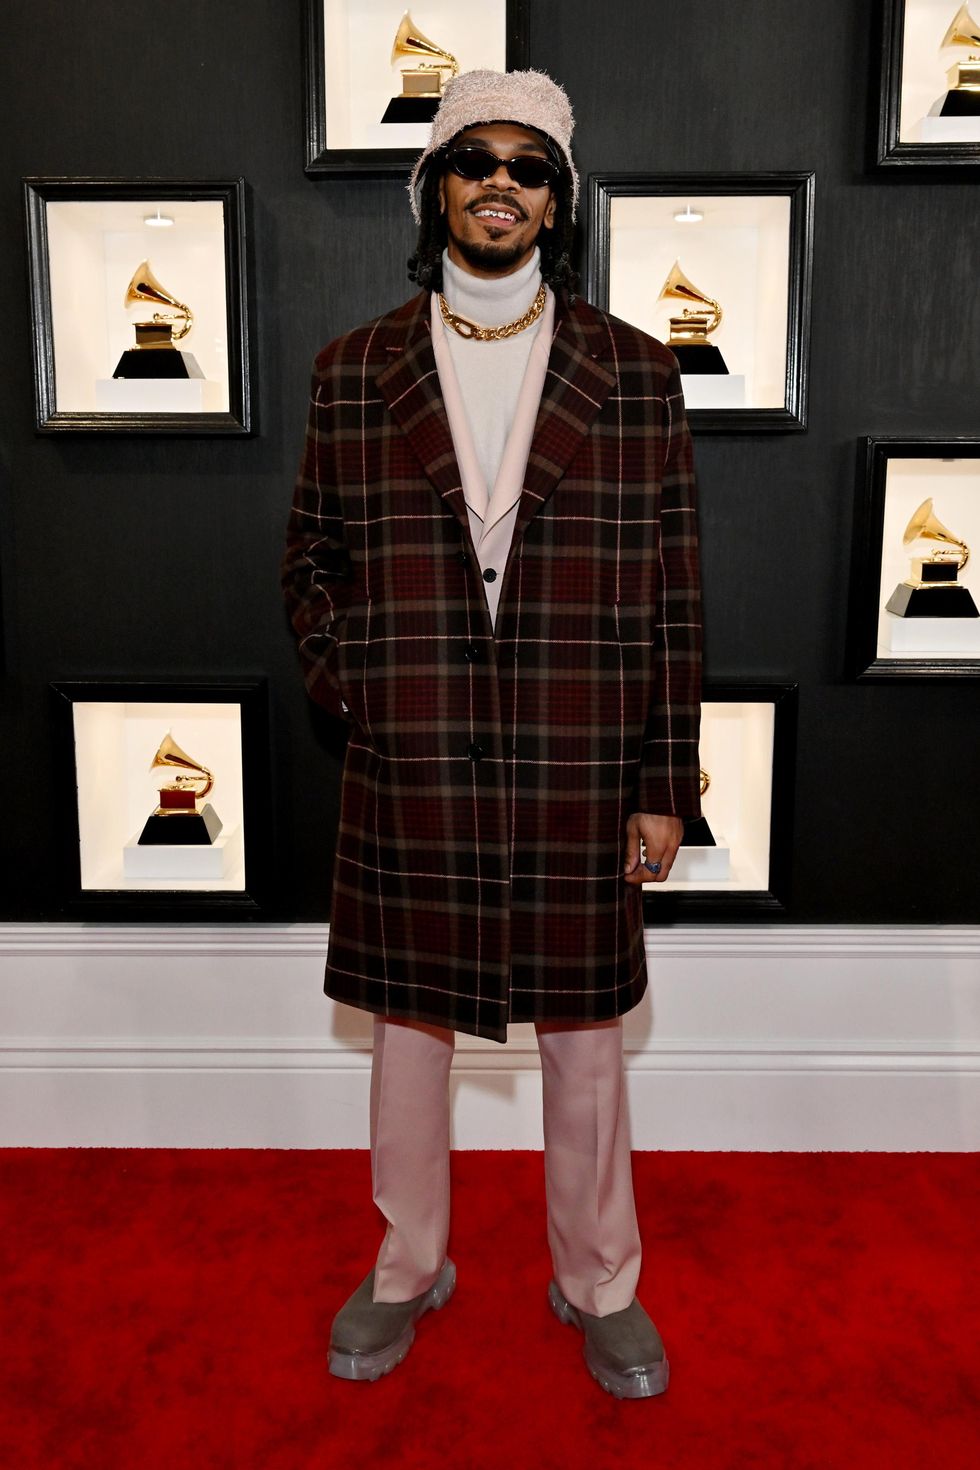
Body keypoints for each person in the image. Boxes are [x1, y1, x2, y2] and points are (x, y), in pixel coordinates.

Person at [281, 68, 702, 1400]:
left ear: (557, 201)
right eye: (476, 161)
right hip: (413, 757)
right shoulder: (353, 370)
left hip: (585, 753)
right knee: (410, 1033)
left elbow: (675, 590)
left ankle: (601, 1280)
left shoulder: (637, 372)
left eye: (529, 166)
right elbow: (311, 561)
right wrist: (363, 688)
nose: (501, 183)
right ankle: (407, 1265)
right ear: (436, 189)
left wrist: (662, 780)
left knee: (587, 1037)